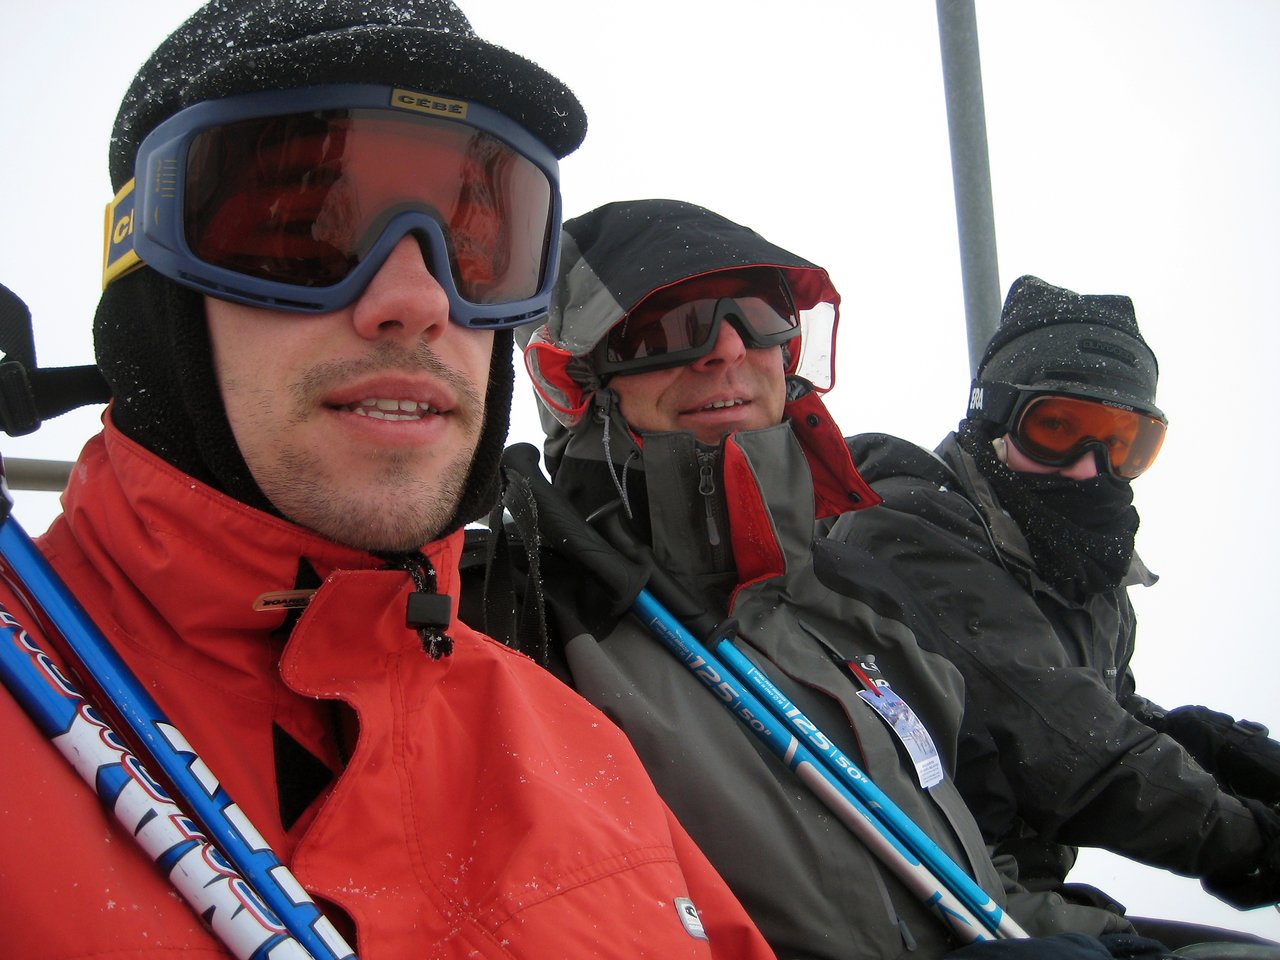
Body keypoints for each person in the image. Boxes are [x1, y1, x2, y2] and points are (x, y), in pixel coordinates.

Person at [0, 5, 777, 958]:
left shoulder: (583, 758)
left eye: (478, 242)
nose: (416, 301)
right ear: (148, 276)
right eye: (302, 231)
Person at [501, 198, 1152, 960]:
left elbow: (970, 881)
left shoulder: (854, 602)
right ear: (574, 378)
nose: (727, 350)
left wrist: (1108, 940)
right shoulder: (525, 627)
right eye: (669, 328)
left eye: (758, 317)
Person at [843, 275, 1280, 942]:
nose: (1088, 467)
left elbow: (1101, 710)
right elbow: (1070, 748)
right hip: (928, 886)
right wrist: (1254, 845)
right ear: (993, 421)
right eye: (1056, 428)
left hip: (1007, 884)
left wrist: (1208, 743)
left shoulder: (1078, 559)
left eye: (1124, 442)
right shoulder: (909, 530)